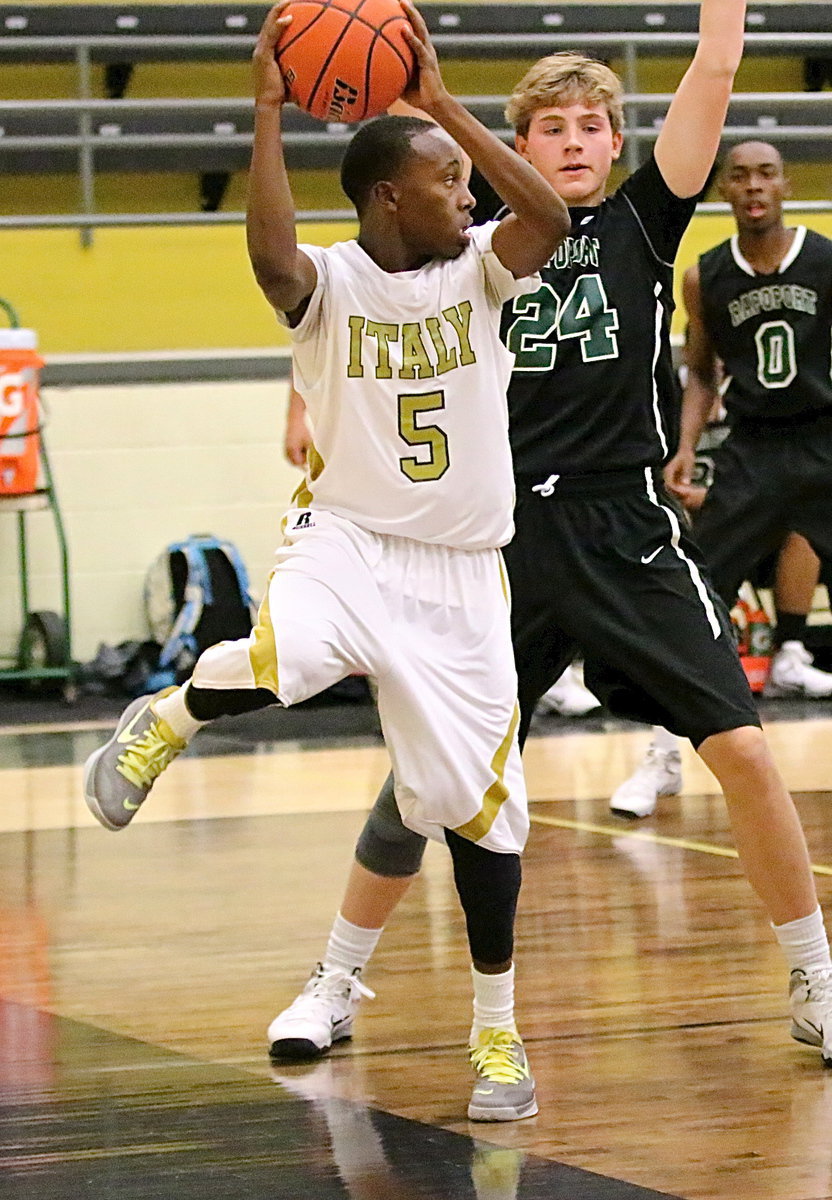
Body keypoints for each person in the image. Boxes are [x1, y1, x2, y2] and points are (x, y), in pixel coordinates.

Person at [266, 3, 832, 1073]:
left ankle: (814, 977)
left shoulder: (643, 224)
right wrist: (297, 401)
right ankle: (333, 981)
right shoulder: (466, 249)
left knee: (747, 751)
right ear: (513, 148)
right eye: (551, 127)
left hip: (624, 526)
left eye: (591, 125)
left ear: (617, 144)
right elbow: (346, 306)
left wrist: (721, 23)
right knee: (419, 791)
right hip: (492, 544)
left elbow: (715, 68)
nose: (574, 140)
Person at [82, 0, 570, 1124]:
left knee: (468, 808)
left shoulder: (481, 273)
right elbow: (266, 254)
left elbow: (547, 214)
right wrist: (265, 110)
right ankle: (168, 721)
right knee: (288, 650)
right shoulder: (329, 289)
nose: (469, 194)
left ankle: (495, 1036)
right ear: (388, 194)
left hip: (458, 579)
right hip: (346, 542)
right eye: (448, 178)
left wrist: (440, 100)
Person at [611, 141, 832, 818]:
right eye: (739, 176)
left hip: (825, 434)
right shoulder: (706, 275)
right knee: (693, 598)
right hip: (753, 449)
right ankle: (663, 757)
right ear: (725, 191)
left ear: (785, 183)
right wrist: (685, 444)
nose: (754, 185)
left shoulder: (825, 259)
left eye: (766, 172)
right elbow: (702, 371)